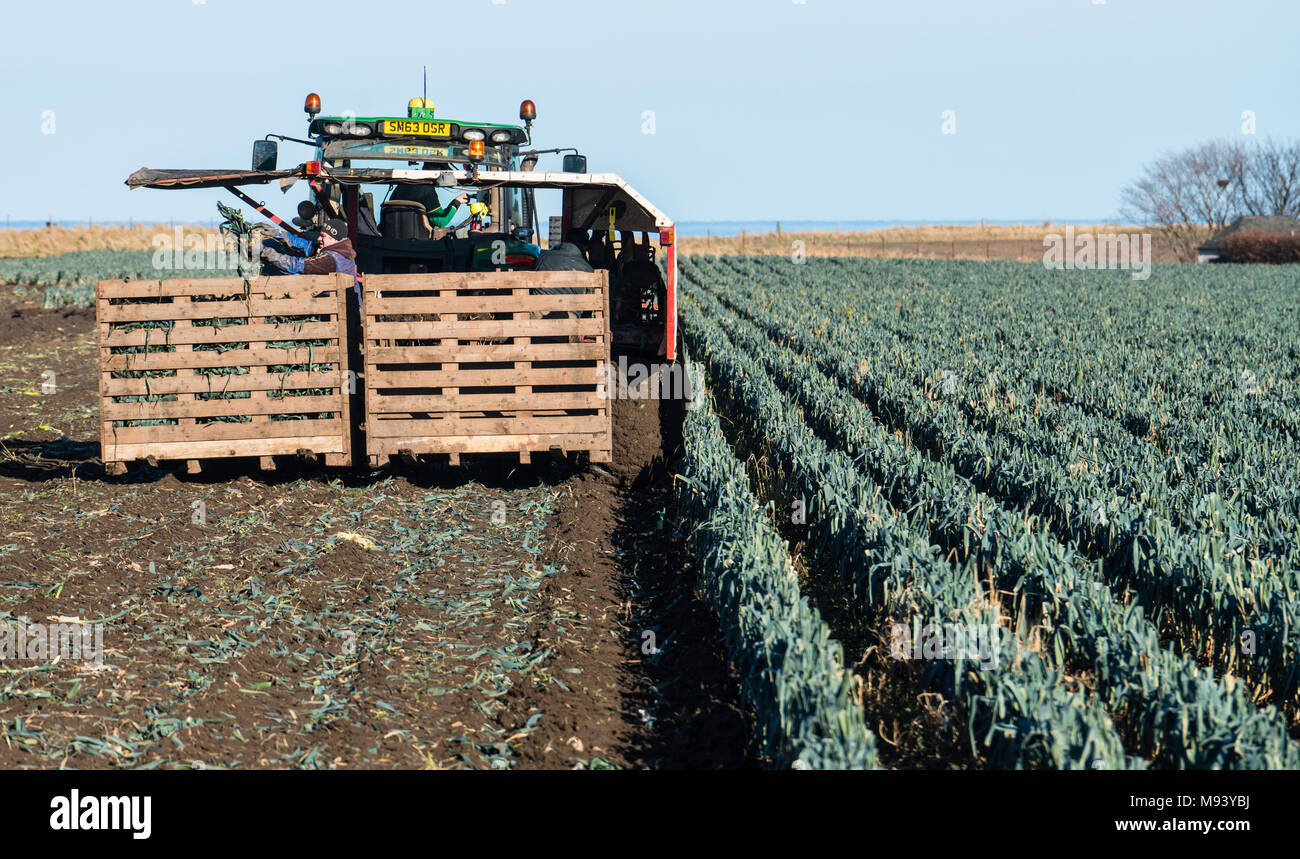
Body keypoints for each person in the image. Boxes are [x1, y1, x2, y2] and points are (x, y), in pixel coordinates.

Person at [260, 218, 361, 303]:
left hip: (340, 313)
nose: (319, 238)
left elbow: (295, 265)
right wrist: (282, 235)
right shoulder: (335, 250)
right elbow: (307, 246)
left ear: (334, 238)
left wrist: (266, 252)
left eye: (323, 236)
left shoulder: (331, 260)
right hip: (331, 307)